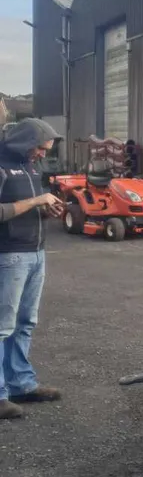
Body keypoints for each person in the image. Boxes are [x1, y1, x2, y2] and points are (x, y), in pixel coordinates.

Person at [0, 118, 64, 420]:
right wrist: (37, 199)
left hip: (35, 253)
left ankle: (20, 384)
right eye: (40, 148)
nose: (42, 154)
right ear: (25, 142)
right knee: (2, 328)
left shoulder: (30, 166)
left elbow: (23, 204)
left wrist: (45, 209)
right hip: (8, 256)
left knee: (25, 323)